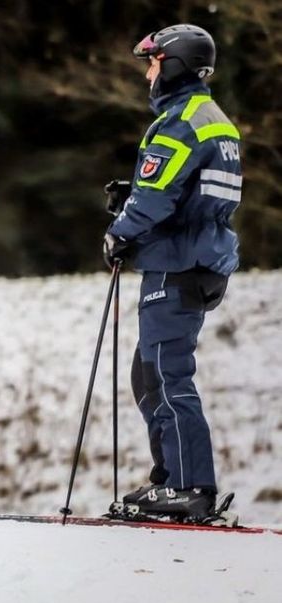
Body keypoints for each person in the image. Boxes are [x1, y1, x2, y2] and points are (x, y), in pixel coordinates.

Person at [103, 24, 241, 521]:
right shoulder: (211, 118)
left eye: (154, 62)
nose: (148, 73)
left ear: (175, 65)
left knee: (166, 374)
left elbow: (156, 194)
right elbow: (182, 188)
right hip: (198, 257)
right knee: (150, 372)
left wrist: (121, 230)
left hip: (177, 262)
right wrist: (135, 192)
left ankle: (190, 486)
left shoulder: (181, 120)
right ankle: (170, 481)